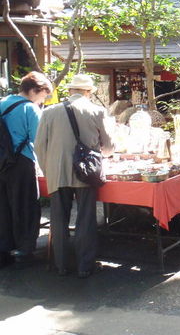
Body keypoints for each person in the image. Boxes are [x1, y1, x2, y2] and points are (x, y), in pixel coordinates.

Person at [35, 74, 114, 278]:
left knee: (58, 220)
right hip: (85, 173)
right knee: (86, 219)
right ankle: (84, 267)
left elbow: (39, 146)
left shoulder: (50, 112)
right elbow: (108, 147)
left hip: (56, 172)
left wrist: (48, 169)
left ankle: (60, 265)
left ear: (70, 90)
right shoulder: (97, 111)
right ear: (88, 92)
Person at [0, 71, 52, 268]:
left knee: (3, 206)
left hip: (2, 162)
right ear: (34, 90)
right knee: (25, 205)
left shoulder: (3, 102)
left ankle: (4, 249)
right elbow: (39, 142)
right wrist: (45, 166)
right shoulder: (30, 109)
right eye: (44, 95)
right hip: (21, 162)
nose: (43, 100)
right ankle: (24, 248)